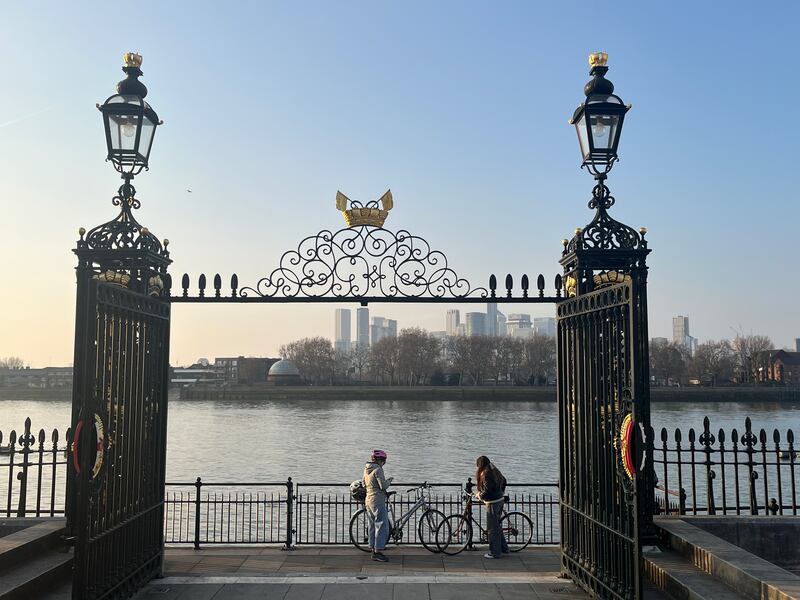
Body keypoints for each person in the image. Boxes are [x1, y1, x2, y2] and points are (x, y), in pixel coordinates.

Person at [475, 455, 509, 559]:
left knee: (492, 529)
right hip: (499, 500)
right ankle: (504, 548)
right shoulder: (494, 469)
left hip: (493, 503)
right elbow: (504, 480)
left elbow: (487, 490)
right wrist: (500, 492)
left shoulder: (486, 474)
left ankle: (495, 553)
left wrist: (479, 495)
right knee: (497, 527)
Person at [363, 449, 393, 562]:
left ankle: (372, 547)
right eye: (384, 461)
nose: (384, 463)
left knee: (371, 525)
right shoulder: (378, 469)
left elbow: (363, 483)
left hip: (369, 499)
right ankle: (378, 552)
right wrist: (389, 480)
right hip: (378, 500)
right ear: (381, 460)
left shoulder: (367, 468)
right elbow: (383, 486)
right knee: (382, 526)